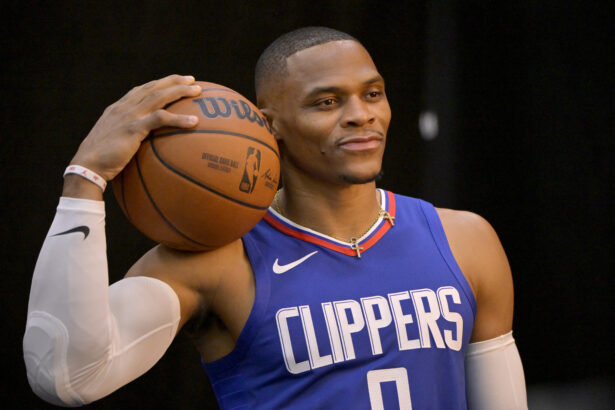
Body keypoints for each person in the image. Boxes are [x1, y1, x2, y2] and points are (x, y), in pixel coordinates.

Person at [24, 27, 527, 409]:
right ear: (270, 125)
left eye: (373, 93)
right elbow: (68, 376)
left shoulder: (465, 239)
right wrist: (85, 178)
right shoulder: (217, 261)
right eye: (326, 102)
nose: (361, 114)